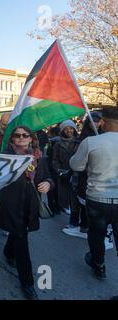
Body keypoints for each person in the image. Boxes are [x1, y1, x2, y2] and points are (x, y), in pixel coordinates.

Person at [0, 126, 53, 300]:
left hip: (31, 204)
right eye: (17, 135)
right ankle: (27, 282)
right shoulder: (5, 157)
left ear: (31, 138)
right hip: (12, 204)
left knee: (19, 232)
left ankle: (8, 251)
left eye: (25, 135)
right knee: (22, 238)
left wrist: (49, 184)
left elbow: (48, 177)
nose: (21, 138)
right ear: (12, 139)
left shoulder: (39, 157)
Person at [70, 108, 118, 280]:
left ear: (103, 122)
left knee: (97, 234)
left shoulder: (91, 142)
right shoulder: (92, 141)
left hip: (98, 199)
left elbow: (76, 166)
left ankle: (99, 264)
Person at [63, 112, 102, 238]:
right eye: (92, 120)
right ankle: (84, 225)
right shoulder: (82, 139)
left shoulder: (104, 137)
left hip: (101, 177)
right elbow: (77, 161)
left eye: (97, 120)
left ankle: (97, 230)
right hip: (83, 176)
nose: (94, 123)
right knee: (82, 201)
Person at [52, 120, 78, 216]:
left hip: (76, 172)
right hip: (64, 171)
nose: (69, 131)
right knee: (64, 191)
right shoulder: (58, 143)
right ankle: (66, 206)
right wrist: (59, 171)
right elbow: (54, 159)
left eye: (71, 128)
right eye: (66, 129)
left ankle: (74, 209)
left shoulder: (79, 142)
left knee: (75, 192)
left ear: (74, 129)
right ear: (62, 131)